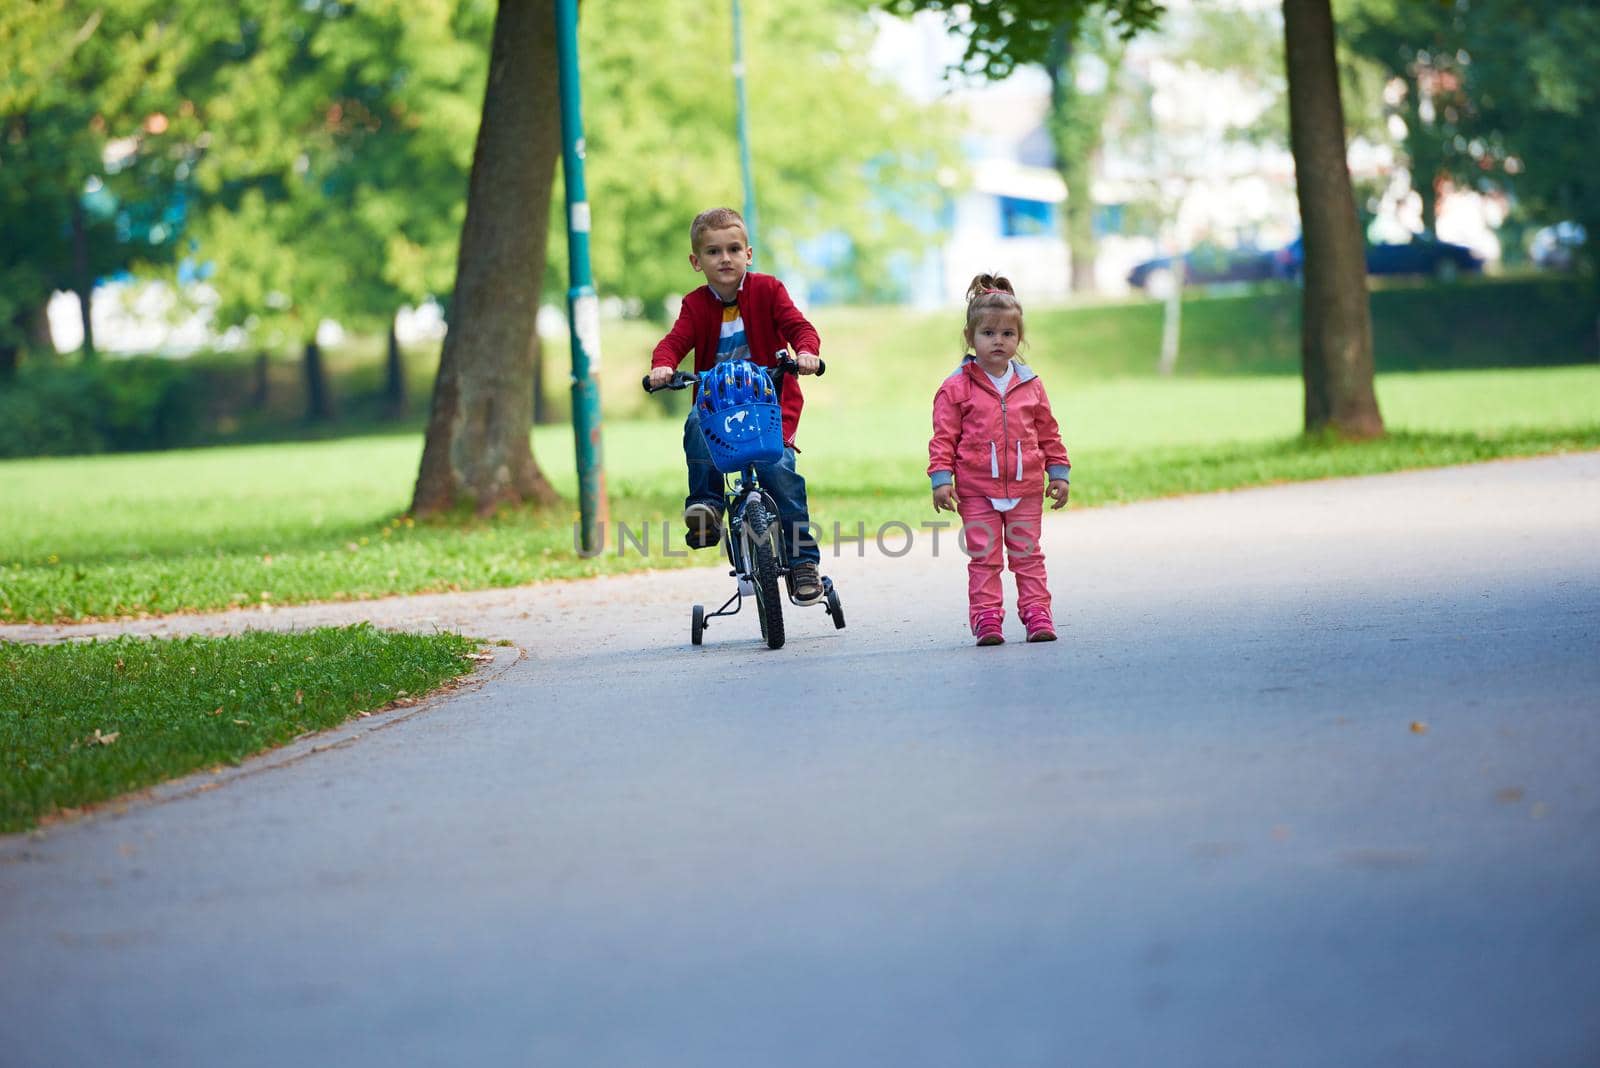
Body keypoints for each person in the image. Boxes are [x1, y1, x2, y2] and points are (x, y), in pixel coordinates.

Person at [649, 207, 824, 603]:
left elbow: (800, 328)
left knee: (780, 471)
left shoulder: (769, 290)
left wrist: (807, 353)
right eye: (713, 252)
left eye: (733, 249)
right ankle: (706, 508)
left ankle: (802, 563)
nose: (724, 258)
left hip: (768, 402)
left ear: (749, 253)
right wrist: (663, 365)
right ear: (697, 262)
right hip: (718, 407)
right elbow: (675, 341)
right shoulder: (695, 305)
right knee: (695, 424)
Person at [928, 274, 1071, 646]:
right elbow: (944, 437)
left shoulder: (1031, 384)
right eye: (989, 333)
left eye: (1008, 333)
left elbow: (1048, 432)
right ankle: (987, 618)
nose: (998, 341)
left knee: (1027, 555)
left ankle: (1037, 614)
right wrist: (942, 478)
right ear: (970, 337)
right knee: (985, 559)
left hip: (1025, 487)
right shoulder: (956, 387)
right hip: (976, 491)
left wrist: (1058, 472)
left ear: (1018, 338)